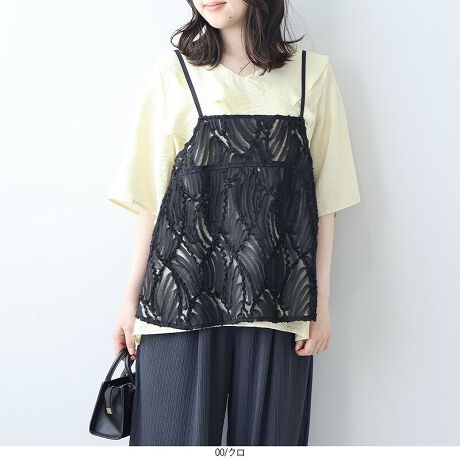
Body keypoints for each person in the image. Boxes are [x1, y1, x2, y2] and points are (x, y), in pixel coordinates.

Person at [107, 0, 361, 446]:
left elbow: (327, 203)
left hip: (281, 304)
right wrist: (130, 301)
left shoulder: (312, 75)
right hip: (178, 305)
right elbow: (151, 198)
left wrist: (321, 306)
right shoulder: (173, 73)